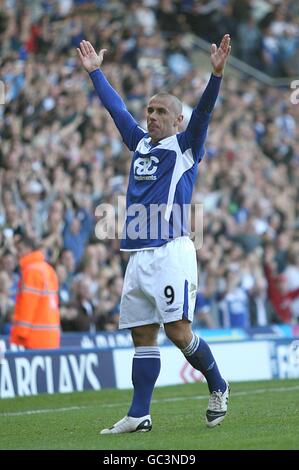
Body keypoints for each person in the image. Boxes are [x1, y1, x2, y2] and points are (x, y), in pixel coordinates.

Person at [77, 34, 231, 433]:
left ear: (177, 120)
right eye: (150, 110)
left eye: (161, 111)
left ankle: (218, 384)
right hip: (139, 254)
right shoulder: (140, 143)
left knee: (179, 332)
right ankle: (139, 414)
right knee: (143, 335)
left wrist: (215, 77)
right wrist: (97, 74)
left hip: (171, 251)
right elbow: (116, 111)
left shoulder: (185, 147)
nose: (152, 116)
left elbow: (204, 115)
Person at [10, 236, 61, 349]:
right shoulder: (48, 269)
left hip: (35, 337)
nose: (17, 254)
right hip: (51, 336)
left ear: (29, 249)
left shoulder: (31, 271)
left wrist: (20, 334)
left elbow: (28, 305)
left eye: (20, 249)